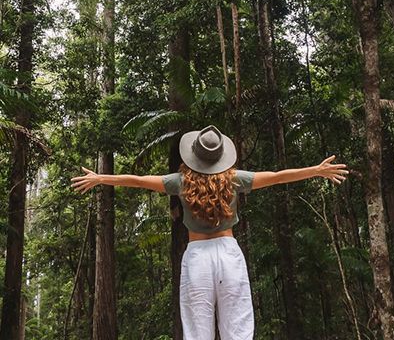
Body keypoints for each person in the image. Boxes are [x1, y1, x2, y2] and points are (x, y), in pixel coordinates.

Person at [70, 125, 349, 339]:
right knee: (237, 325)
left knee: (197, 327)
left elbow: (139, 181)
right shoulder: (235, 179)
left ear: (192, 156)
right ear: (220, 157)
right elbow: (277, 176)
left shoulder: (179, 182)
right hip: (229, 255)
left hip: (197, 257)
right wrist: (316, 170)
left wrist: (100, 178)